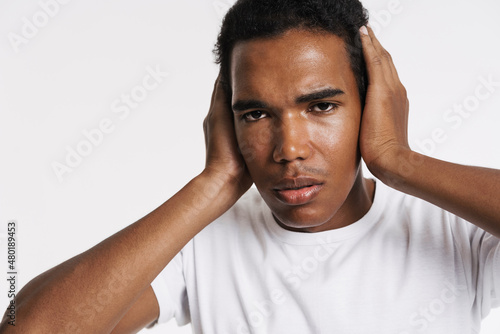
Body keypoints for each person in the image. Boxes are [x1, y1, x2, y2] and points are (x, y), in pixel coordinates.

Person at [2, 0, 500, 333]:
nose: (289, 149)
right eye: (257, 114)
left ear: (373, 106)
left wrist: (398, 161)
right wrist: (213, 183)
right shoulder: (201, 246)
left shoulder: (455, 226)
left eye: (321, 107)